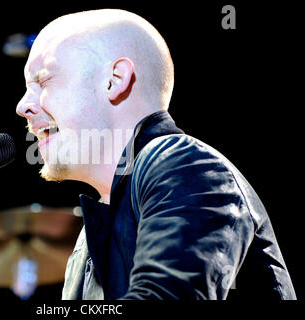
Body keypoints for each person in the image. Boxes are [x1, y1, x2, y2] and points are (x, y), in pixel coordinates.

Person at [16, 9, 296, 300]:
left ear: (114, 80)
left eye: (44, 81)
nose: (23, 106)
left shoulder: (183, 164)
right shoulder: (87, 241)